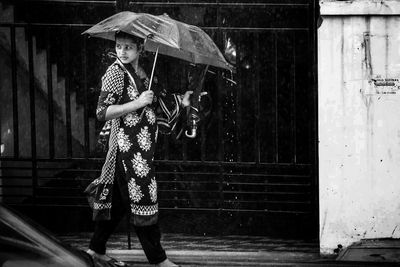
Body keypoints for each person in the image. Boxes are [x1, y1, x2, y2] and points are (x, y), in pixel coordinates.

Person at [85, 31, 192, 267]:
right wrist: (138, 103)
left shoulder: (141, 73)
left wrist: (181, 103)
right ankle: (158, 259)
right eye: (119, 46)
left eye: (128, 47)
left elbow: (158, 103)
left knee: (119, 204)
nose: (122, 51)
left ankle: (95, 249)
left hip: (140, 149)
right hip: (126, 151)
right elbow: (102, 112)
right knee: (143, 199)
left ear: (140, 48)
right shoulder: (115, 72)